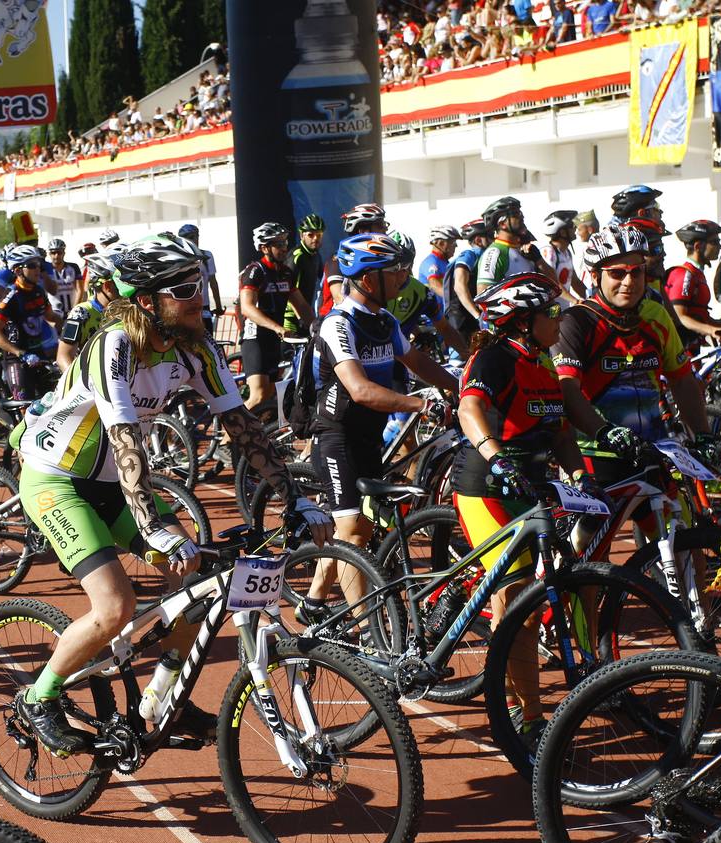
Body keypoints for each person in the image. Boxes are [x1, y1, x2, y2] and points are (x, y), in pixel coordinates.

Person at [12, 233, 333, 756]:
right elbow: (125, 439)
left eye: (200, 282)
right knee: (115, 606)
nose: (198, 298)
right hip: (57, 478)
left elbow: (241, 426)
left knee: (200, 583)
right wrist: (153, 525)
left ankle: (161, 701)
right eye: (183, 288)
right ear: (146, 300)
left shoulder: (196, 346)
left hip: (115, 482)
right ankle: (37, 697)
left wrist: (293, 495)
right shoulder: (113, 344)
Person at [452, 272, 603, 743]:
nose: (560, 318)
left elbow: (560, 433)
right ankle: (527, 713)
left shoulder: (542, 361)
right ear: (523, 321)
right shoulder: (495, 357)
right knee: (516, 598)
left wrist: (580, 474)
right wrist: (496, 458)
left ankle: (599, 673)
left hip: (534, 487)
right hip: (487, 488)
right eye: (551, 312)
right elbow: (469, 410)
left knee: (580, 578)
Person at [301, 234, 458, 620]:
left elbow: (417, 360)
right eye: (395, 271)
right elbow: (360, 390)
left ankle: (313, 603)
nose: (404, 277)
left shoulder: (385, 320)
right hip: (337, 437)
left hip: (368, 438)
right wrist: (421, 404)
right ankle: (364, 623)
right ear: (368, 279)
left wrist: (463, 388)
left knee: (360, 529)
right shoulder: (338, 324)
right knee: (354, 528)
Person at [554, 224, 718, 527]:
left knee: (685, 545)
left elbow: (682, 379)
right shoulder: (576, 322)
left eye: (637, 272)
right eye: (617, 273)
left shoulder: (655, 315)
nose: (629, 282)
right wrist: (604, 431)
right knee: (583, 558)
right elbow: (567, 390)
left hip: (650, 452)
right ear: (594, 276)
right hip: (594, 455)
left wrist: (703, 433)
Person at [238, 222, 312, 417]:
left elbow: (302, 306)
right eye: (278, 244)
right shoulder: (255, 271)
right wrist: (278, 328)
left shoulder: (285, 273)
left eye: (285, 242)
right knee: (259, 395)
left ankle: (252, 440)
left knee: (269, 395)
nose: (284, 247)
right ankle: (227, 440)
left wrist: (318, 326)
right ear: (264, 247)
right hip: (256, 337)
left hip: (273, 338)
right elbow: (247, 307)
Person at [0, 244, 62, 399]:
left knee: (50, 403)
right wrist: (19, 353)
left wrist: (70, 326)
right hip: (17, 358)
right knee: (25, 406)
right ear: (18, 270)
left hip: (39, 354)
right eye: (32, 265)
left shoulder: (38, 292)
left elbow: (51, 317)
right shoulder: (11, 296)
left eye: (39, 265)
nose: (38, 269)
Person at [666, 220, 721, 348]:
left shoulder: (697, 274)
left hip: (694, 345)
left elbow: (699, 314)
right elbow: (680, 316)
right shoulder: (685, 274)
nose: (720, 247)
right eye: (715, 242)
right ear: (698, 246)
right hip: (682, 349)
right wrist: (711, 330)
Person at [56, 253, 119, 371]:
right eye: (119, 285)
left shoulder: (122, 310)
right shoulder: (80, 313)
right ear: (108, 286)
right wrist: (78, 385)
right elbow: (63, 357)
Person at [322, 203, 389, 313]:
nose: (385, 229)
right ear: (363, 231)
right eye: (380, 225)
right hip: (333, 321)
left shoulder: (373, 260)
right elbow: (339, 298)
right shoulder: (338, 260)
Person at [476, 197, 542, 293]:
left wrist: (539, 260)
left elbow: (555, 282)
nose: (522, 217)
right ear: (502, 224)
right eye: (516, 214)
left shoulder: (526, 250)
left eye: (520, 213)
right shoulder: (494, 253)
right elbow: (483, 296)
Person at [445, 219, 493, 341]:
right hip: (462, 319)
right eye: (491, 236)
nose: (494, 239)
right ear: (478, 240)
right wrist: (478, 316)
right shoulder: (470, 254)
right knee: (464, 358)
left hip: (470, 316)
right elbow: (459, 286)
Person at [286, 214, 327, 334]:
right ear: (301, 235)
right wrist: (299, 317)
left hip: (306, 314)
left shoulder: (316, 256)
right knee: (289, 351)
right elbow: (287, 289)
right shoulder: (297, 256)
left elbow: (325, 281)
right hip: (291, 317)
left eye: (319, 235)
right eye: (310, 234)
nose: (315, 238)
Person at [177, 223, 223, 326]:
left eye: (196, 236)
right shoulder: (178, 258)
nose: (195, 240)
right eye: (190, 237)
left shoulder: (206, 256)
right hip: (185, 307)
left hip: (204, 307)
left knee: (208, 341)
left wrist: (218, 306)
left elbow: (213, 283)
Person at [541, 210, 585, 303]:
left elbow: (575, 282)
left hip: (564, 308)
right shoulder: (549, 251)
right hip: (551, 310)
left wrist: (590, 297)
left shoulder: (566, 252)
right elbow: (552, 282)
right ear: (563, 232)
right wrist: (575, 301)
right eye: (572, 226)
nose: (576, 228)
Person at [418, 225, 460, 297]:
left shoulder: (445, 262)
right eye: (453, 242)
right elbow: (435, 285)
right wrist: (458, 299)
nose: (456, 246)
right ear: (441, 243)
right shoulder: (431, 262)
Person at [47, 238, 82, 316]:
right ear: (49, 254)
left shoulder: (74, 267)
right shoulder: (45, 269)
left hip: (72, 311)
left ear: (64, 253)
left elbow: (80, 290)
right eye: (53, 253)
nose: (56, 255)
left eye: (59, 252)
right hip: (54, 313)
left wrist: (74, 309)